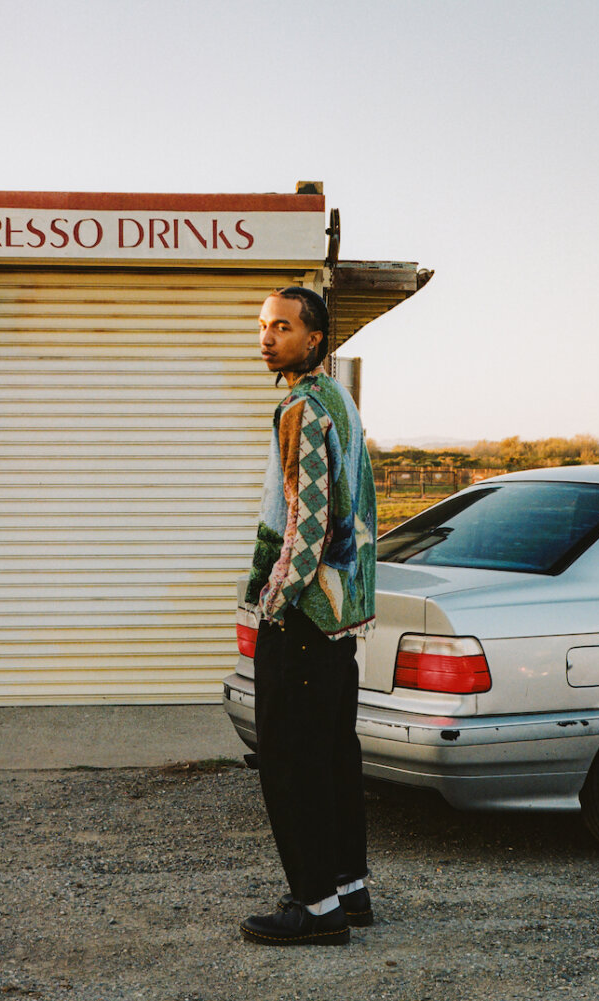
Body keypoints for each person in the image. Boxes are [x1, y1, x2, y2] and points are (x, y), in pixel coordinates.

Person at [239, 286, 377, 947]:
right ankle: (348, 890)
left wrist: (274, 604)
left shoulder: (300, 407)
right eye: (264, 326)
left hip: (303, 617)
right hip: (341, 618)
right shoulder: (342, 403)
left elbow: (311, 520)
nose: (268, 337)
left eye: (283, 327)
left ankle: (315, 907)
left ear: (315, 339)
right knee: (332, 754)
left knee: (288, 759)